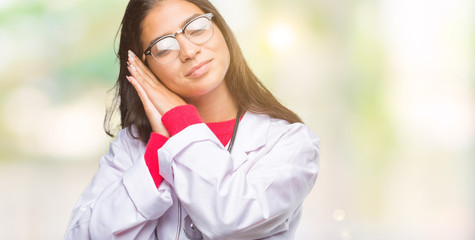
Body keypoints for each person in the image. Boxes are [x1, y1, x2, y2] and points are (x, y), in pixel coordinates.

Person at [64, 0, 320, 239]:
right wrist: (156, 152)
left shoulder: (291, 143)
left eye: (197, 28)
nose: (188, 51)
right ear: (145, 68)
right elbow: (84, 234)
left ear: (221, 28)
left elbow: (230, 218)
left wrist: (181, 119)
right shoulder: (133, 146)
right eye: (163, 47)